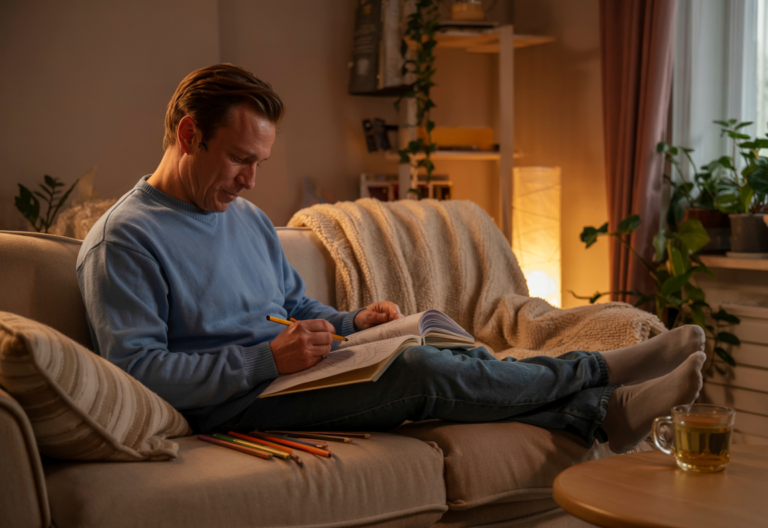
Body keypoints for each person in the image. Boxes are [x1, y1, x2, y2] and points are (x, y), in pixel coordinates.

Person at [77, 64, 705, 453]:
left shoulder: (242, 219)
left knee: (435, 343)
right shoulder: (125, 239)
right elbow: (140, 371)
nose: (250, 181)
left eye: (259, 164)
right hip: (236, 407)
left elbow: (292, 306)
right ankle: (600, 374)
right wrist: (263, 359)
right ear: (189, 135)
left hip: (294, 371)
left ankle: (606, 414)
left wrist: (353, 324)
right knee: (417, 374)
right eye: (241, 159)